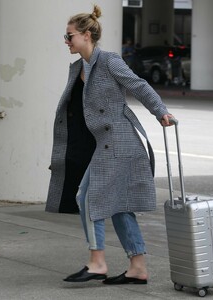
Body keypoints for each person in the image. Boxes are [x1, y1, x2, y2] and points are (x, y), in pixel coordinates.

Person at [46, 5, 174, 284]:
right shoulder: (79, 67)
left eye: (69, 36)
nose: (66, 41)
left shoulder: (109, 60)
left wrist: (160, 111)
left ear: (87, 35)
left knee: (87, 197)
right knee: (119, 204)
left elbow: (139, 85)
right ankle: (137, 267)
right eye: (65, 37)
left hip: (119, 141)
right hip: (102, 143)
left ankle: (97, 261)